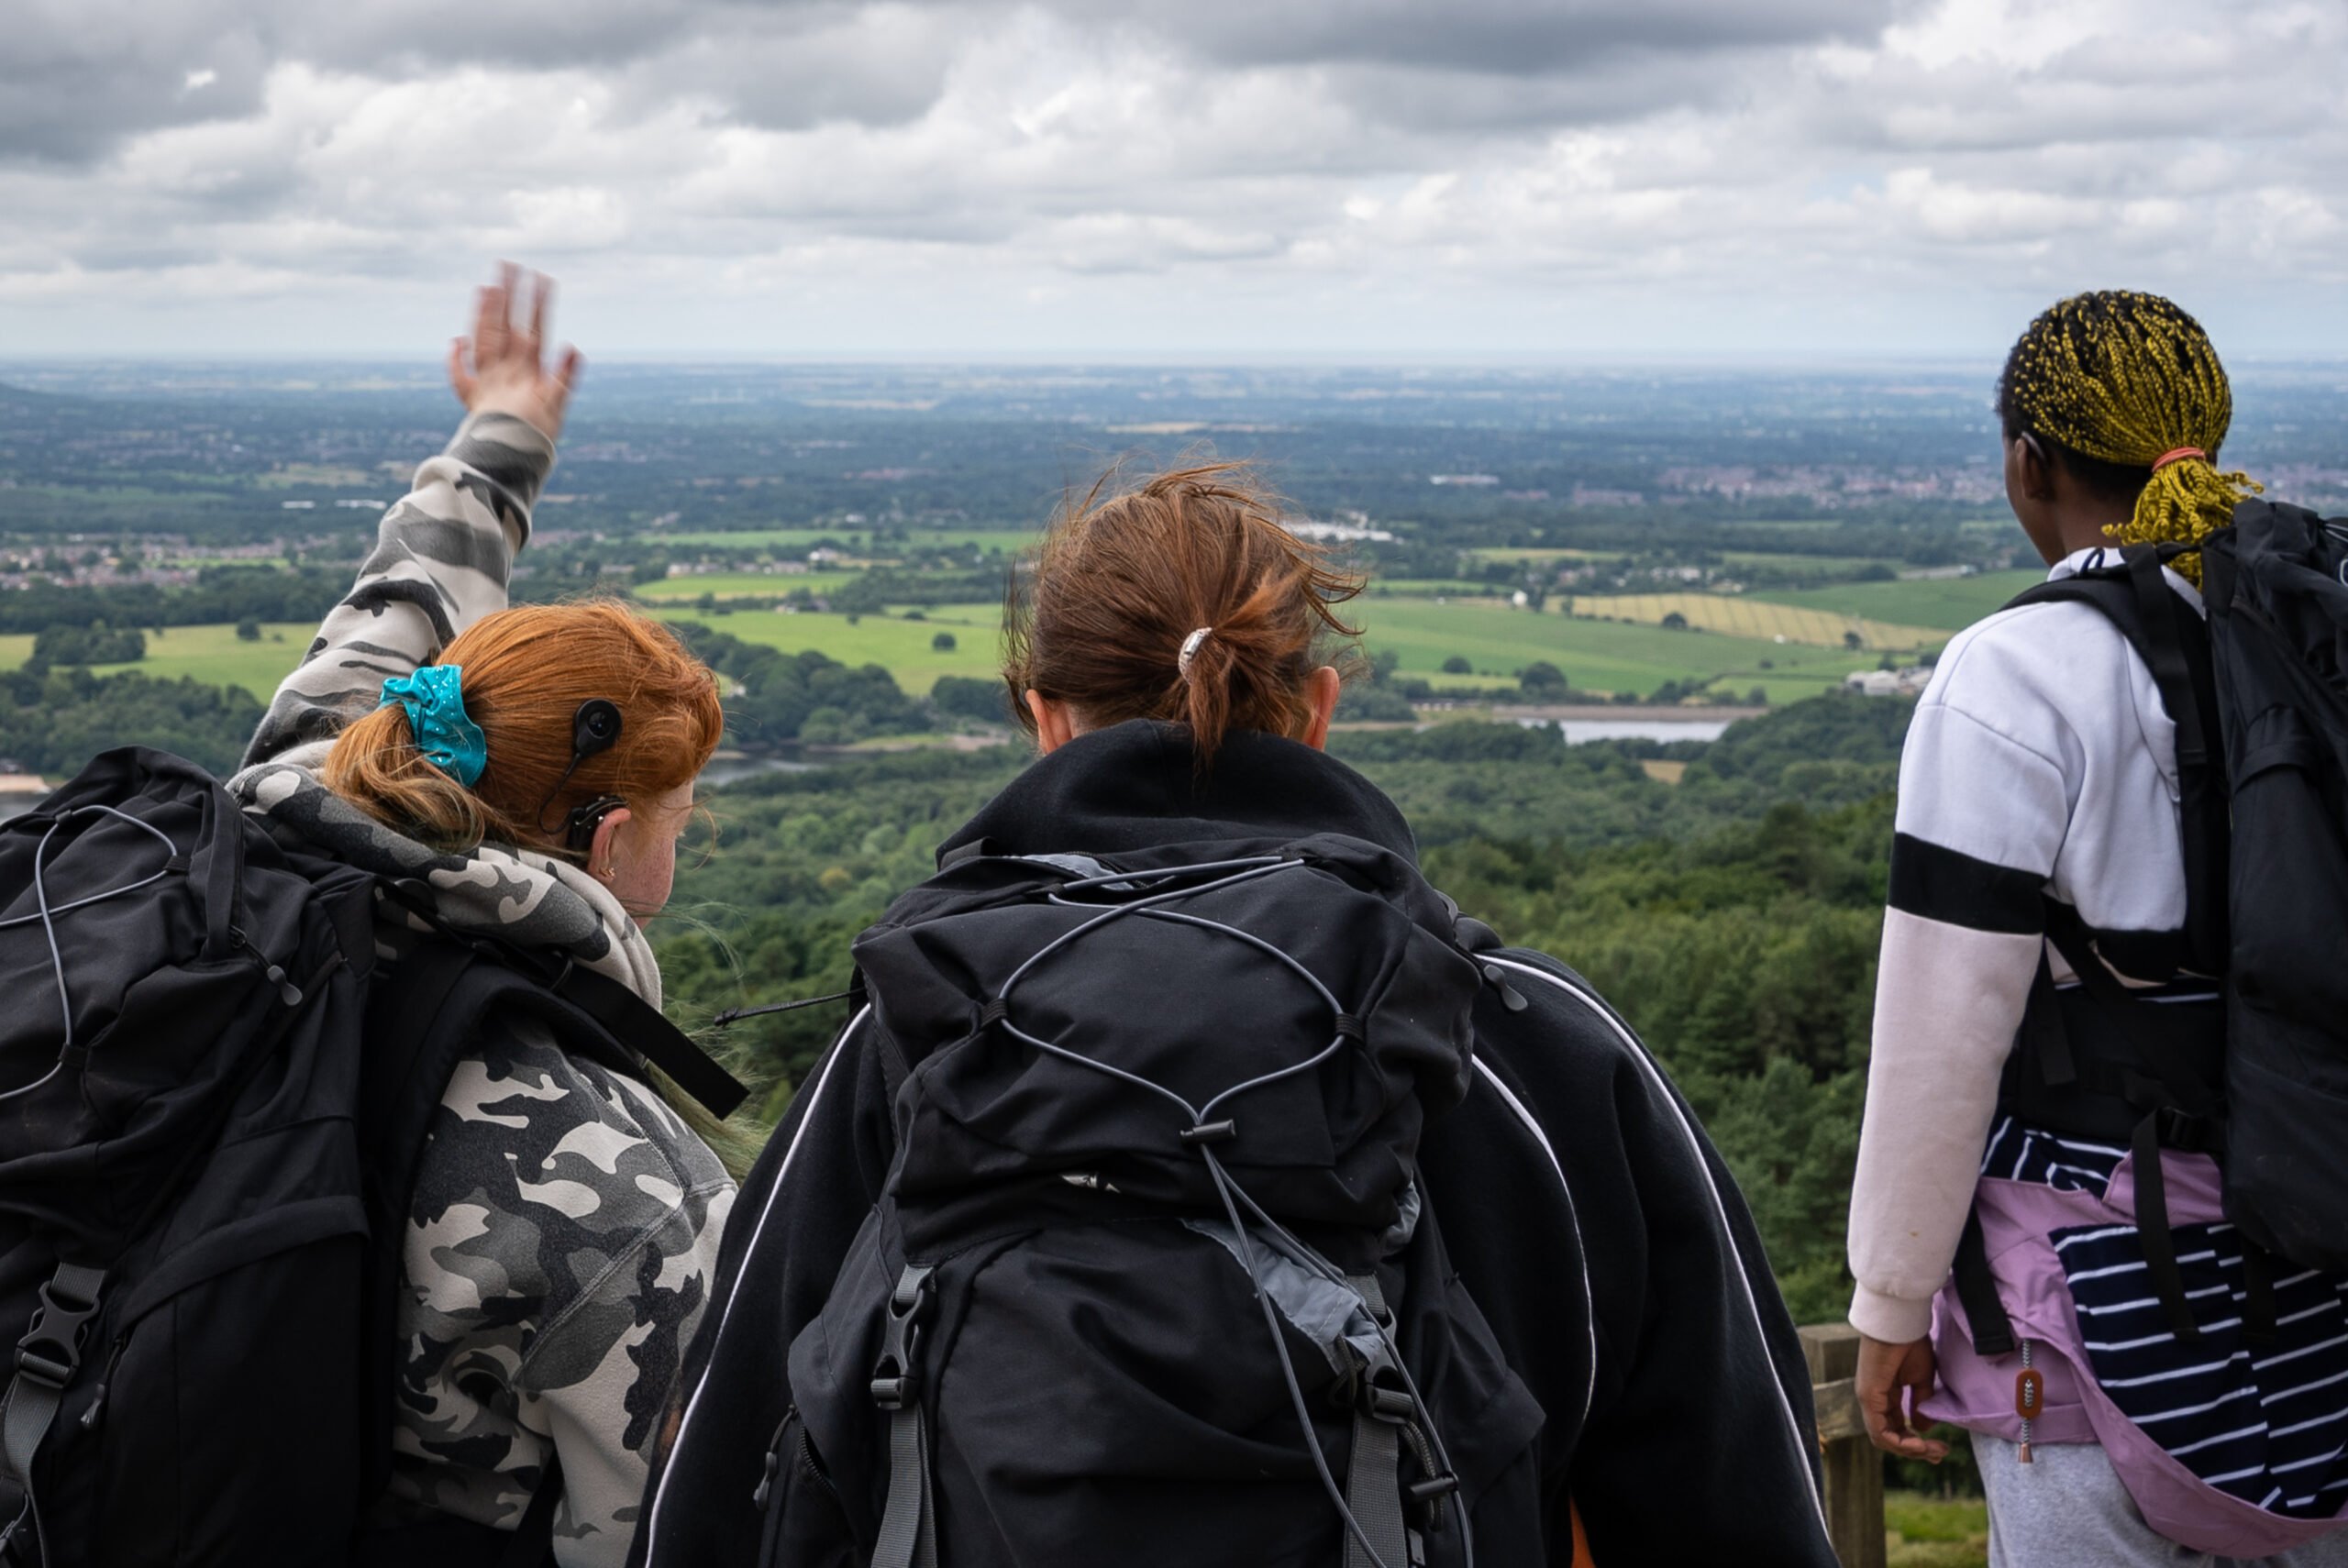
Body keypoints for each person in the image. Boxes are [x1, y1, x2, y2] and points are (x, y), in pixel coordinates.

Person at [629, 462, 1837, 1567]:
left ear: (1043, 721)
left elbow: (713, 1496)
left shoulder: (909, 1044)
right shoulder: (1526, 1049)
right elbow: (1745, 1514)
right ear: (1315, 707)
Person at [232, 266, 737, 1566]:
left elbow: (403, 596)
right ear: (615, 847)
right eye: (680, 822)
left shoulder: (285, 806)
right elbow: (670, 1534)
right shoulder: (626, 1188)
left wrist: (502, 432)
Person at [1847, 291, 2348, 1564]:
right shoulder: (2315, 638)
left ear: (2031, 460)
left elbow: (1942, 1030)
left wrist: (1893, 1295)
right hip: (2324, 1270)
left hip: (2099, 1288)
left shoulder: (2015, 676)